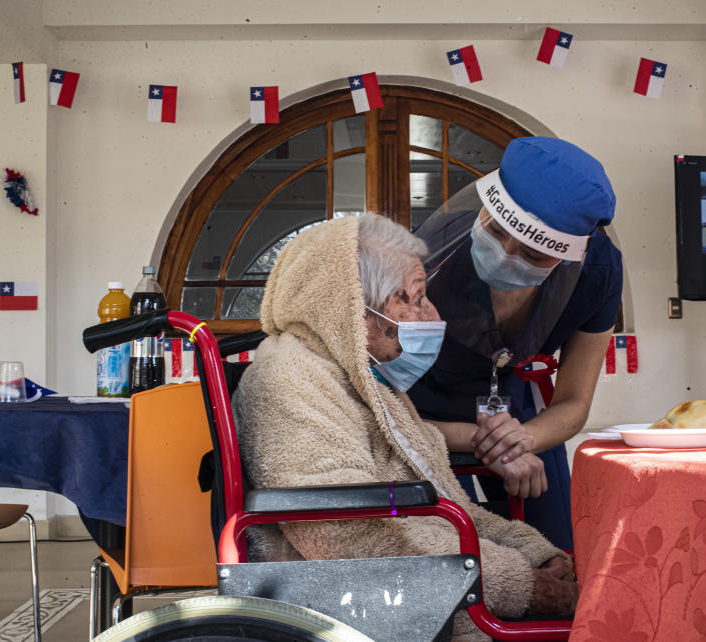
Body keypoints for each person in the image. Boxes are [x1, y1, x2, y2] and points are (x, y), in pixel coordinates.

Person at [233, 214, 578, 639]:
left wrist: (532, 552)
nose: (431, 313)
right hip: (360, 604)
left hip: (417, 584)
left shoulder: (366, 381)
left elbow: (447, 498)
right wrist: (515, 582)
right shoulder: (290, 380)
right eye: (412, 299)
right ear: (354, 312)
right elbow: (345, 532)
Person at [408, 137, 621, 550]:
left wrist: (521, 440)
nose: (504, 256)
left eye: (533, 255)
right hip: (420, 415)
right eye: (495, 230)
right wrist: (483, 442)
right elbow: (378, 409)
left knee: (557, 549)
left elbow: (574, 401)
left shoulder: (598, 271)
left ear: (572, 256)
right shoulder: (431, 256)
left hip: (515, 414)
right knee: (459, 548)